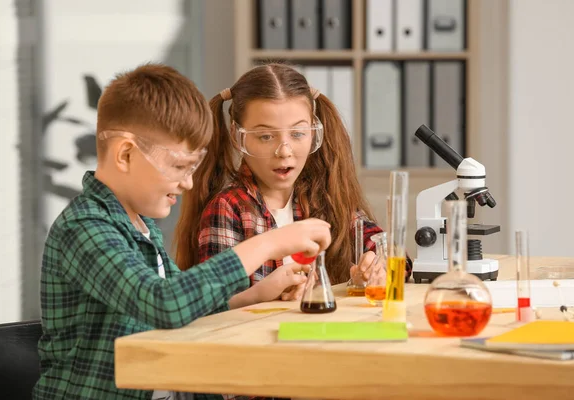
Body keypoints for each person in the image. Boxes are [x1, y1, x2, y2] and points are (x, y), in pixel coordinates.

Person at [33, 63, 331, 400]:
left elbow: (189, 311)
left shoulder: (140, 227)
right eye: (179, 166)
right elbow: (165, 304)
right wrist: (268, 244)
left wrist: (260, 293)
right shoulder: (85, 229)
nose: (188, 182)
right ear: (126, 154)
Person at [174, 63, 412, 310]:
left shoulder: (324, 198)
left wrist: (377, 267)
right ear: (237, 136)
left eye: (298, 134)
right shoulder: (229, 208)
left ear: (314, 132)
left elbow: (395, 254)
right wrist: (262, 293)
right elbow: (207, 302)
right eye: (266, 136)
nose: (284, 151)